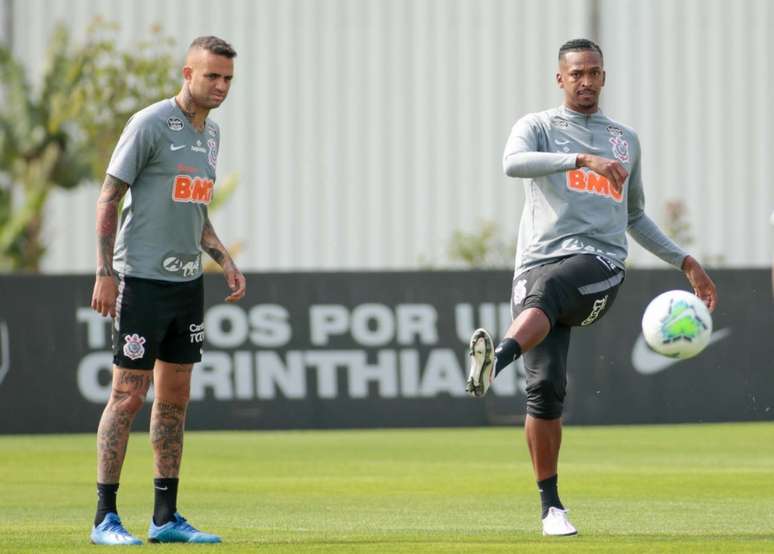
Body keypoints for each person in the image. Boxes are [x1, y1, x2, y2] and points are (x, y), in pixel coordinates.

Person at [465, 38, 717, 537]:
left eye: (594, 72)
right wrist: (580, 161)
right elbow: (511, 163)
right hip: (532, 267)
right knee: (544, 392)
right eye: (576, 73)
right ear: (560, 78)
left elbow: (636, 216)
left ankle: (499, 357)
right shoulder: (537, 126)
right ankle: (551, 510)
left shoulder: (624, 140)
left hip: (598, 264)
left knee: (557, 288)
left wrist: (686, 262)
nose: (586, 81)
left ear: (604, 76)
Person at [89, 36, 246, 545]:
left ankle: (165, 518)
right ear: (187, 74)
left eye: (227, 79)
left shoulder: (211, 135)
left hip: (186, 285)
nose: (220, 86)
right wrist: (105, 271)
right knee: (128, 395)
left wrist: (225, 261)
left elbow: (196, 214)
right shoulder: (150, 123)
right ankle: (105, 519)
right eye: (212, 77)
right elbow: (109, 198)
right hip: (141, 281)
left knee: (174, 401)